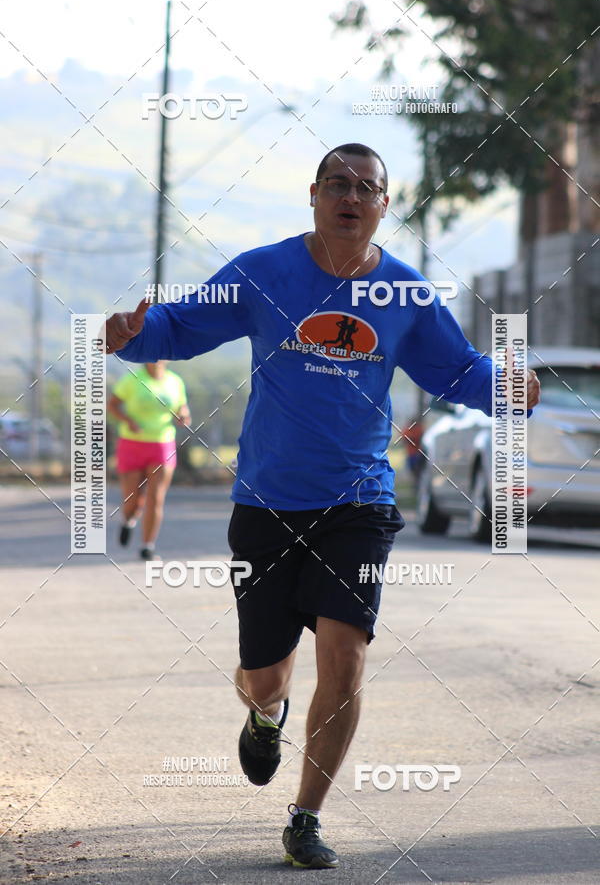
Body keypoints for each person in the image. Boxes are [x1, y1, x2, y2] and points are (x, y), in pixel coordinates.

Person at [105, 143, 541, 870]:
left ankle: (305, 815)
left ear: (383, 206)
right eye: (337, 183)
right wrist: (130, 334)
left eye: (365, 188)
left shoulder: (404, 295)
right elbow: (179, 326)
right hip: (267, 501)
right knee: (265, 676)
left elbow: (457, 368)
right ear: (313, 194)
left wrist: (509, 388)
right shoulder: (263, 272)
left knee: (345, 657)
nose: (350, 196)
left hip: (358, 502)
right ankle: (265, 714)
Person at [108, 361, 190, 561]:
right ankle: (128, 520)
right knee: (133, 500)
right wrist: (128, 421)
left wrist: (183, 417)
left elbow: (183, 409)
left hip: (162, 444)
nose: (158, 357)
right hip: (132, 443)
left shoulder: (175, 381)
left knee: (156, 497)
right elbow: (112, 405)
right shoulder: (131, 379)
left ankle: (147, 546)